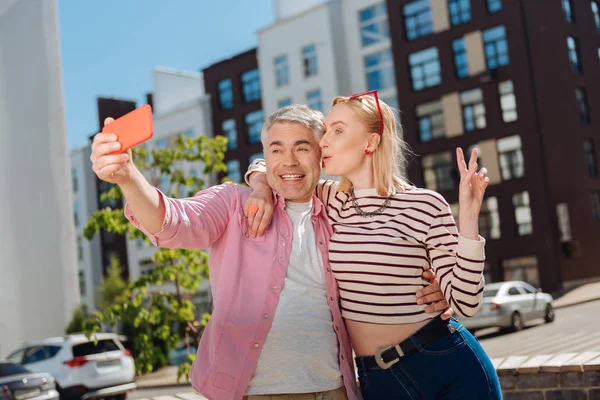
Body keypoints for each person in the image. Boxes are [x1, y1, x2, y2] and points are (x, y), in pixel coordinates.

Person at [89, 104, 452, 400]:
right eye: (276, 150)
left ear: (321, 155)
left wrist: (431, 285)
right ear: (264, 155)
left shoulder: (342, 210)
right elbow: (172, 221)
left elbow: (390, 249)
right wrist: (128, 177)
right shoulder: (233, 203)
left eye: (302, 147)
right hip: (252, 392)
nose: (288, 161)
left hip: (334, 389)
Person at [245, 92, 503, 399]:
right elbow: (273, 163)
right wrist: (260, 185)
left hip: (446, 362)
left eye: (337, 131)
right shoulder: (331, 199)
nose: (323, 141)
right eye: (325, 131)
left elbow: (466, 304)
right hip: (378, 380)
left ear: (370, 142)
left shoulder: (425, 205)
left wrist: (469, 219)